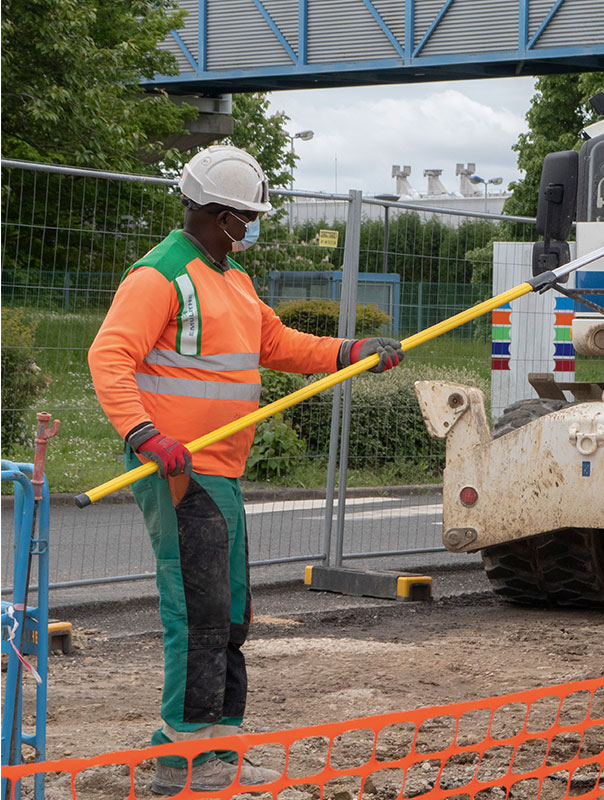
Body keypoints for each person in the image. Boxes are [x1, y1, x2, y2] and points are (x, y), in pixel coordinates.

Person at [88, 144, 404, 795]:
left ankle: (221, 746)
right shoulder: (159, 276)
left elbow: (278, 344)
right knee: (197, 610)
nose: (251, 225)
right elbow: (109, 357)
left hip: (220, 473)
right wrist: (145, 434)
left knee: (232, 613)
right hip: (177, 470)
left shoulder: (231, 277)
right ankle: (178, 758)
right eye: (245, 215)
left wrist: (350, 351)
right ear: (216, 212)